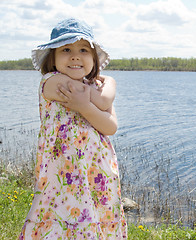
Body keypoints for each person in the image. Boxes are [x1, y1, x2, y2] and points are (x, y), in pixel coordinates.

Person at [19, 18, 127, 239]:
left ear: (94, 58)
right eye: (66, 49)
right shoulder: (52, 81)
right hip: (64, 173)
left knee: (95, 218)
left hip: (96, 172)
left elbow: (110, 126)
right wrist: (111, 83)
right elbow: (105, 101)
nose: (75, 56)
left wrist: (85, 106)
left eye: (84, 50)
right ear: (53, 57)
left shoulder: (93, 87)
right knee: (61, 219)